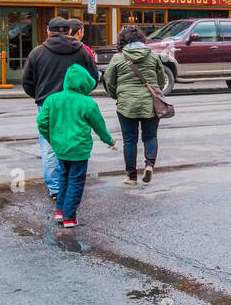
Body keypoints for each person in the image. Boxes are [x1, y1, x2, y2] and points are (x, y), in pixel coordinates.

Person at [23, 18, 99, 207]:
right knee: (75, 140)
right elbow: (93, 76)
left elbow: (27, 81)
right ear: (67, 31)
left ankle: (56, 188)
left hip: (47, 103)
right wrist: (81, 94)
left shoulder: (37, 52)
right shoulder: (81, 50)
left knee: (49, 145)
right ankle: (70, 183)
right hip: (75, 103)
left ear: (48, 32)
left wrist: (40, 96)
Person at [36, 64, 114, 228]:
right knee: (76, 182)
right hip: (79, 150)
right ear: (84, 83)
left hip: (60, 149)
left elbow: (41, 122)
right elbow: (99, 126)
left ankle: (60, 211)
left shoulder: (52, 99)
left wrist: (51, 139)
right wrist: (109, 140)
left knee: (63, 178)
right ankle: (69, 217)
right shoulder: (87, 102)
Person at [102, 24, 166, 186]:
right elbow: (161, 79)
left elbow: (108, 81)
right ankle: (149, 165)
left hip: (126, 104)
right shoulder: (152, 55)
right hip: (151, 103)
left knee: (129, 140)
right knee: (150, 136)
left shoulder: (118, 57)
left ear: (123, 40)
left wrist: (117, 95)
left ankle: (131, 177)